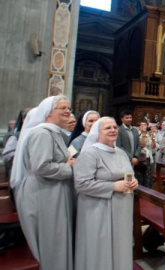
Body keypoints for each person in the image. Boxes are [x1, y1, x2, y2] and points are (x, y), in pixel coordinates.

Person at [11, 95, 76, 270]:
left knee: (56, 239)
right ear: (48, 113)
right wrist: (70, 168)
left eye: (68, 107)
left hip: (50, 191)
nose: (68, 111)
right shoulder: (42, 133)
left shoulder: (52, 132)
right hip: (42, 193)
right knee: (50, 241)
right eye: (62, 108)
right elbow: (42, 167)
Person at [74, 117, 138, 270]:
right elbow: (81, 184)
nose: (113, 130)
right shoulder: (90, 153)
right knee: (100, 247)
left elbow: (129, 174)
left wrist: (134, 181)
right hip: (98, 209)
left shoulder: (121, 153)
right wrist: (112, 186)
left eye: (115, 127)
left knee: (121, 245)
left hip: (122, 209)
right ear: (97, 132)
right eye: (107, 128)